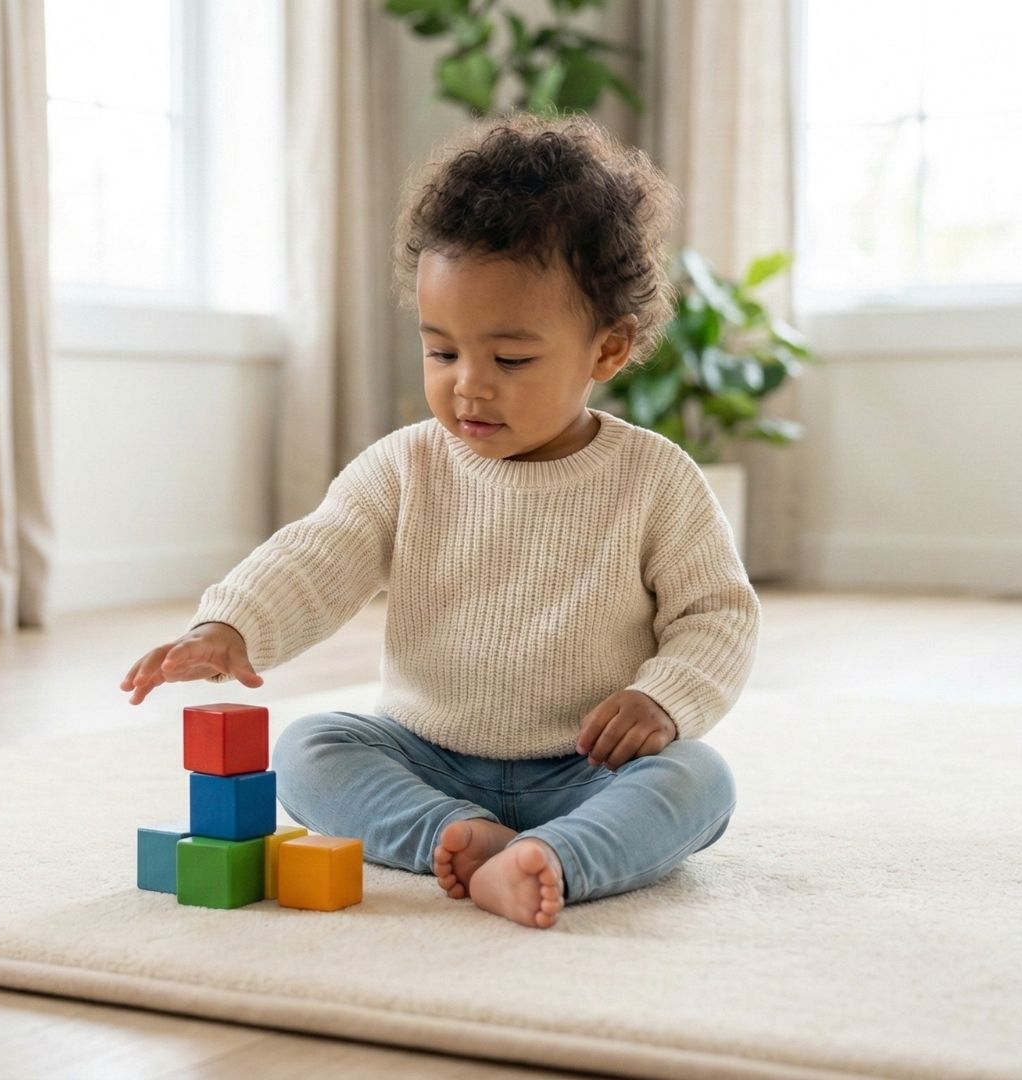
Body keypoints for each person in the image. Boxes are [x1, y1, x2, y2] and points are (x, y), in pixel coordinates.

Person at [119, 112, 758, 929]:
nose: (468, 386)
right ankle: (461, 838)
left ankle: (559, 857)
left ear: (608, 350)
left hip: (588, 767)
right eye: (442, 351)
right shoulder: (405, 465)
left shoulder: (656, 478)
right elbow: (320, 553)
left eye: (511, 359)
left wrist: (664, 699)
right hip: (425, 753)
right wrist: (230, 624)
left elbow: (717, 616)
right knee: (312, 749)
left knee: (700, 781)